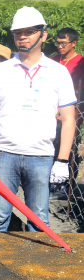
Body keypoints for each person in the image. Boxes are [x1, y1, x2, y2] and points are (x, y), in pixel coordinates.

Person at [0, 7, 76, 232]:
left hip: (41, 156)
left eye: (29, 31)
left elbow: (69, 119)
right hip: (4, 154)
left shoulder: (58, 72)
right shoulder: (1, 71)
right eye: (18, 32)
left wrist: (62, 161)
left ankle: (36, 257)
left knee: (38, 219)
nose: (23, 36)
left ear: (43, 35)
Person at [50, 27, 83, 197]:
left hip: (71, 115)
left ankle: (66, 186)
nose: (60, 46)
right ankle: (51, 183)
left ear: (73, 43)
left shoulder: (80, 63)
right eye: (58, 43)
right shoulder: (53, 61)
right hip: (51, 114)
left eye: (64, 43)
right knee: (51, 148)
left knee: (69, 149)